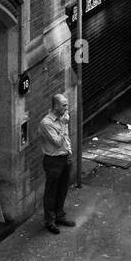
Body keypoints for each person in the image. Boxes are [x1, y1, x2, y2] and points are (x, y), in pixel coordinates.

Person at [39, 92, 75, 234]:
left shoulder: (63, 117)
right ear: (55, 106)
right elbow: (57, 142)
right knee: (51, 191)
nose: (67, 107)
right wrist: (64, 125)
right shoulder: (46, 123)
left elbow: (66, 139)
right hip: (53, 161)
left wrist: (69, 153)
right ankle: (50, 221)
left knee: (63, 189)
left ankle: (60, 215)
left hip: (65, 158)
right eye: (64, 105)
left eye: (66, 104)